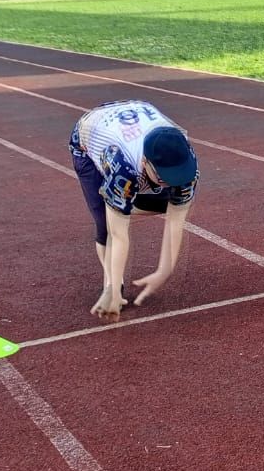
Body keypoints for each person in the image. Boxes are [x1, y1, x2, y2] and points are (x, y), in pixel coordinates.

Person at [68, 100, 198, 320]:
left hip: (136, 114)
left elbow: (176, 220)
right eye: (163, 177)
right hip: (88, 138)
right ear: (145, 162)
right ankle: (111, 283)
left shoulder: (185, 158)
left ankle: (124, 205)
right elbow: (118, 236)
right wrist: (113, 290)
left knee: (169, 199)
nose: (169, 182)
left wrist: (164, 271)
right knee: (105, 222)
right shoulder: (123, 165)